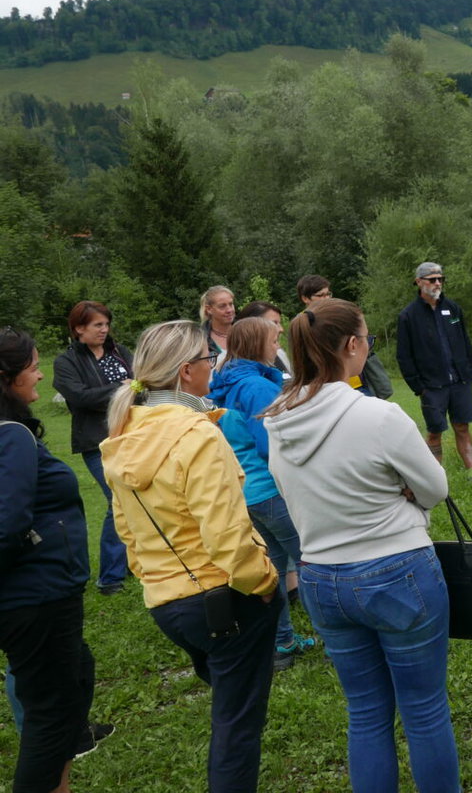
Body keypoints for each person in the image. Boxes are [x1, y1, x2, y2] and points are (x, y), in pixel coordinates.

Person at [264, 299, 459, 793]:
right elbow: (435, 487)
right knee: (424, 708)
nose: (368, 346)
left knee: (367, 713)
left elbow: (289, 492)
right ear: (352, 346)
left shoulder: (277, 421)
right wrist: (404, 492)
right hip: (397, 569)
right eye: (367, 338)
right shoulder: (379, 415)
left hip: (321, 577)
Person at [101, 321, 280, 793]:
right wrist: (264, 584)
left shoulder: (122, 436)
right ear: (186, 372)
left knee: (229, 708)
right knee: (237, 728)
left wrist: (154, 582)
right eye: (208, 359)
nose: (213, 366)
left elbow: (127, 530)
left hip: (168, 603)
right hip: (225, 596)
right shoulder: (197, 436)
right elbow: (226, 534)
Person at [0, 327, 99, 793]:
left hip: (40, 594)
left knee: (76, 677)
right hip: (36, 597)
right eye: (32, 366)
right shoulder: (11, 435)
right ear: (7, 377)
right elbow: (8, 524)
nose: (40, 372)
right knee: (49, 719)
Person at [209, 318, 317, 671]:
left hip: (247, 492)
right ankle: (337, 638)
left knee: (272, 568)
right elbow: (272, 443)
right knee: (312, 562)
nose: (279, 343)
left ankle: (282, 644)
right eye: (274, 339)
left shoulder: (229, 379)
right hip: (271, 488)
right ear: (258, 344)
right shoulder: (255, 386)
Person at [51, 301, 134, 596]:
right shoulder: (66, 362)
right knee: (118, 499)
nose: (104, 330)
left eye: (106, 324)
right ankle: (110, 578)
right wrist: (123, 389)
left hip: (131, 434)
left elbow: (142, 383)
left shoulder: (120, 352)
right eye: (97, 325)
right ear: (79, 329)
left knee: (135, 498)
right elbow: (80, 397)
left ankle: (132, 564)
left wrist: (132, 387)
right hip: (96, 441)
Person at [396, 262, 472, 484]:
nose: (437, 283)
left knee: (462, 426)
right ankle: (435, 480)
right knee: (435, 431)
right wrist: (418, 386)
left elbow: (464, 340)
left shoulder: (453, 308)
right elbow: (404, 355)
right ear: (419, 282)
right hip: (431, 386)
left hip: (460, 380)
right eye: (432, 279)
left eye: (440, 279)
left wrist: (470, 369)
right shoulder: (408, 316)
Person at [299, 275, 393, 399]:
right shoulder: (302, 323)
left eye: (328, 294)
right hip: (326, 387)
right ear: (305, 298)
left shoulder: (340, 315)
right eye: (321, 295)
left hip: (356, 383)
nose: (326, 298)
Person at [235, 301, 292, 375]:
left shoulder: (279, 353)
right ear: (252, 326)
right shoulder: (239, 369)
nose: (281, 329)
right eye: (274, 323)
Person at [200, 286, 236, 369]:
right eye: (222, 306)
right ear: (209, 309)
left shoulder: (246, 332)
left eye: (231, 304)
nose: (229, 310)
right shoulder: (200, 339)